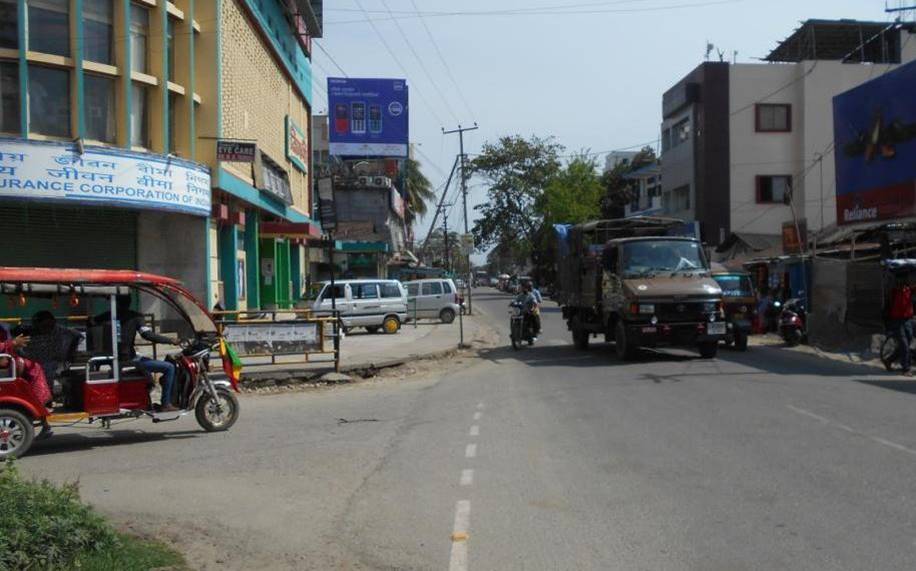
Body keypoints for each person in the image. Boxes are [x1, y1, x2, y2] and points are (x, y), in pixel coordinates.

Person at [94, 296, 181, 411]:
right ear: (129, 303)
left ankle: (148, 398)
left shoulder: (108, 315)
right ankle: (166, 403)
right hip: (130, 360)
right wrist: (170, 340)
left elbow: (91, 322)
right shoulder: (135, 317)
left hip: (114, 359)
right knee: (169, 367)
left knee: (146, 369)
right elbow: (147, 335)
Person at [0, 333, 54, 436]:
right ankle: (42, 418)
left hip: (17, 366)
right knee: (35, 370)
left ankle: (44, 422)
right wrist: (12, 343)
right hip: (13, 367)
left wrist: (12, 344)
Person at [887, 275, 915, 376]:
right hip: (897, 321)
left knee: (906, 343)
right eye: (899, 282)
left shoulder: (909, 290)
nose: (902, 284)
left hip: (908, 320)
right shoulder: (894, 292)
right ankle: (906, 369)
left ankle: (889, 360)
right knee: (904, 345)